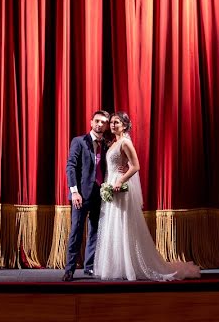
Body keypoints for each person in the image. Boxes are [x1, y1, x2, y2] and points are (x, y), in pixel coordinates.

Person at [92, 111, 201, 280]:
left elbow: (136, 166)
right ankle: (118, 266)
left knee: (123, 224)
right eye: (112, 122)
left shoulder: (125, 142)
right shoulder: (114, 142)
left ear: (125, 125)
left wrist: (120, 180)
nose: (113, 125)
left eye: (117, 122)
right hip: (111, 184)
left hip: (119, 186)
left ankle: (131, 266)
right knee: (113, 225)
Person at [62, 110, 111, 281]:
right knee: (76, 231)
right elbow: (71, 166)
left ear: (106, 126)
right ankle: (69, 269)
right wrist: (74, 191)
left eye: (103, 122)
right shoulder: (79, 141)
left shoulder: (106, 144)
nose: (100, 124)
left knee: (95, 232)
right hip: (81, 196)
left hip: (100, 195)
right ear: (91, 122)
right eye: (97, 121)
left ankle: (89, 267)